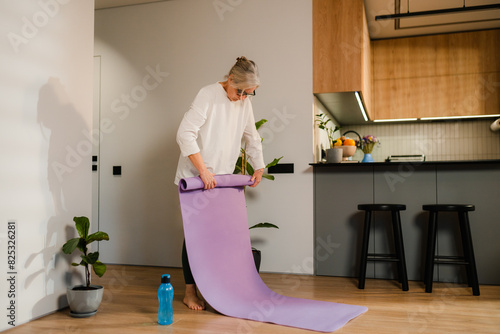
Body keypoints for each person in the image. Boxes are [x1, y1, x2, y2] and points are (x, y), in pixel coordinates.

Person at [174, 56, 266, 310]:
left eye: (249, 94)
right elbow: (185, 133)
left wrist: (259, 165)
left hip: (222, 179)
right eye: (240, 91)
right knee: (195, 236)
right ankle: (189, 292)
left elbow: (251, 135)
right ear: (230, 79)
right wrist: (203, 171)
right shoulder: (207, 94)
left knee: (219, 234)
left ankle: (216, 287)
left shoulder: (243, 102)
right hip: (197, 178)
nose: (242, 98)